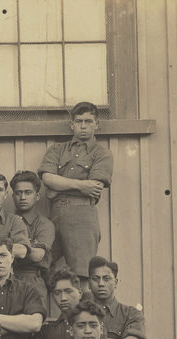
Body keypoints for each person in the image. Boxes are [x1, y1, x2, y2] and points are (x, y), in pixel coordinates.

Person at [38, 101, 113, 281]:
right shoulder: (57, 149)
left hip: (82, 216)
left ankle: (84, 309)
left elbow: (94, 186)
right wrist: (80, 185)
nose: (83, 126)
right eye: (79, 121)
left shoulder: (102, 153)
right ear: (72, 124)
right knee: (39, 265)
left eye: (88, 121)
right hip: (54, 215)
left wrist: (59, 186)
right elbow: (47, 178)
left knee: (82, 274)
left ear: (97, 124)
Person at [87, 256, 147, 339]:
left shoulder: (130, 314)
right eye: (95, 279)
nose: (101, 284)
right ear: (89, 283)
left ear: (116, 282)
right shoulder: (81, 314)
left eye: (106, 279)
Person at [9, 170, 54, 303]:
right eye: (18, 193)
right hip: (6, 277)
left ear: (37, 196)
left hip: (32, 279)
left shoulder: (44, 224)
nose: (23, 197)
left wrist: (4, 247)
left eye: (28, 192)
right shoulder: (6, 221)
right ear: (13, 196)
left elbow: (37, 255)